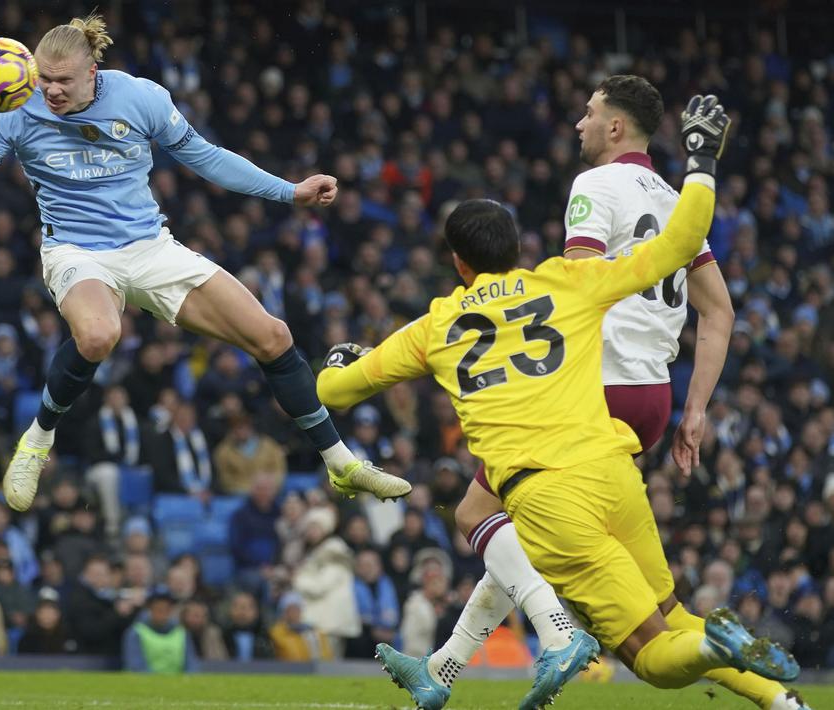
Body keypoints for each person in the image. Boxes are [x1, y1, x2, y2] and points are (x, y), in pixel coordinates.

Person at [317, 96, 800, 709]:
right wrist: (702, 163)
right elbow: (690, 259)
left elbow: (334, 391)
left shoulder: (439, 323)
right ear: (517, 248)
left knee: (634, 642)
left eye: (590, 112)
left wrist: (338, 362)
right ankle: (781, 700)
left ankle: (559, 633)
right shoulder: (572, 278)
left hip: (573, 435)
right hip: (627, 430)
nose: (579, 122)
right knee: (661, 608)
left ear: (458, 262)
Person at [0, 13, 409, 513]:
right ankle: (37, 441)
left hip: (149, 246)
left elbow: (207, 157)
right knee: (99, 335)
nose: (51, 90)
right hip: (76, 250)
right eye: (44, 78)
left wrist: (289, 191)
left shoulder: (140, 98)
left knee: (273, 336)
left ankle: (341, 462)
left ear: (92, 73)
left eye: (63, 80)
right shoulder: (15, 110)